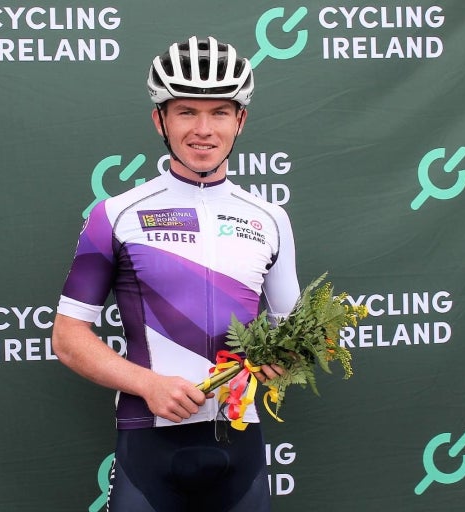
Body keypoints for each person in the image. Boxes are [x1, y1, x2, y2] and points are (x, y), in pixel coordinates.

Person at [52, 35, 300, 511]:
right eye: (186, 111)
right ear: (159, 120)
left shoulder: (270, 218)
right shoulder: (116, 214)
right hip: (149, 450)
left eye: (220, 112)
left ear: (240, 120)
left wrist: (282, 361)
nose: (203, 129)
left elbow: (288, 337)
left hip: (241, 447)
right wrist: (148, 384)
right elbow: (67, 337)